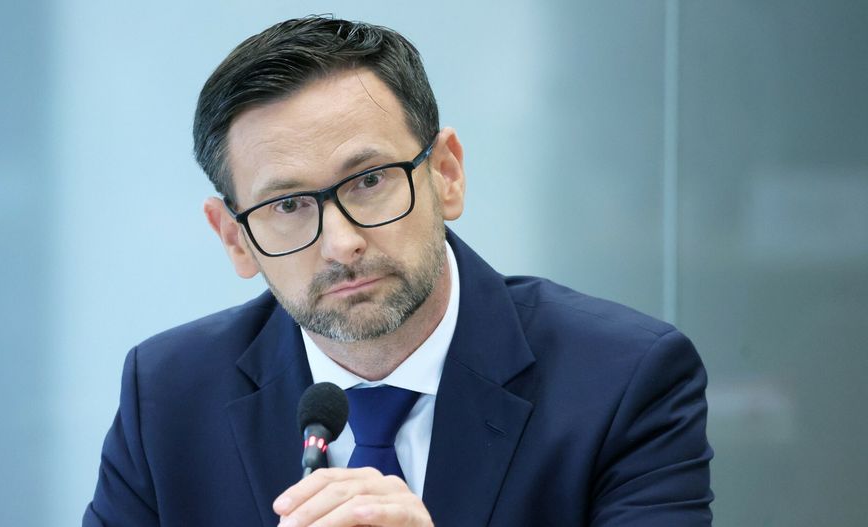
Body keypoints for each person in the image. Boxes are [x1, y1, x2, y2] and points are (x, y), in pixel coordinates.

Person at [84, 15, 713, 527]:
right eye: (288, 205)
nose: (341, 244)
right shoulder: (167, 396)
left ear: (447, 174)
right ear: (235, 239)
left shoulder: (622, 381)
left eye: (369, 181)